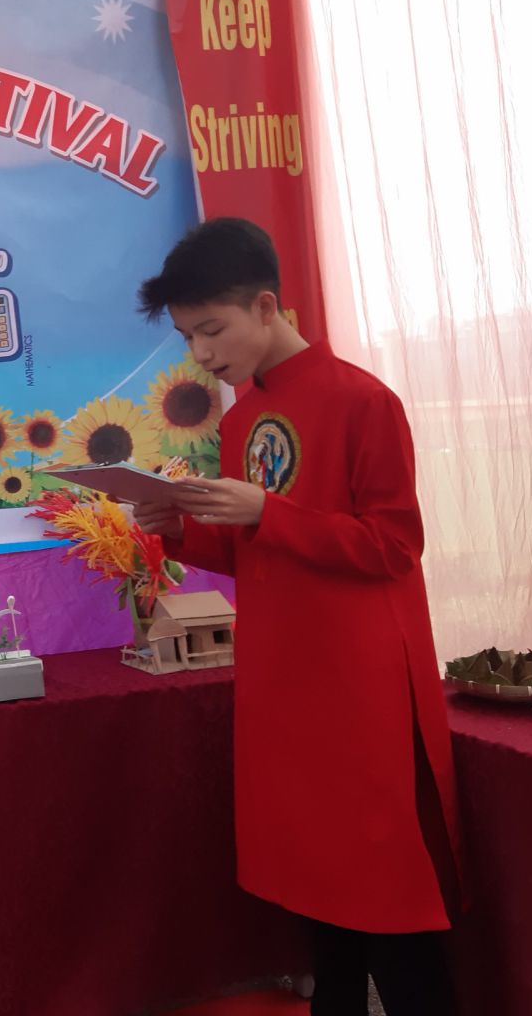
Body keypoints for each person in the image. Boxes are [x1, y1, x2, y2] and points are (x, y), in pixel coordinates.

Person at [132, 218, 461, 1016]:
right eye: (187, 336)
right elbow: (258, 551)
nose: (201, 354)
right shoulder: (241, 419)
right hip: (284, 686)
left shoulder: (363, 402)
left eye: (212, 329)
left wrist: (266, 511)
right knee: (317, 887)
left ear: (266, 305)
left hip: (359, 690)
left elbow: (394, 546)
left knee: (384, 886)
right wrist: (180, 528)